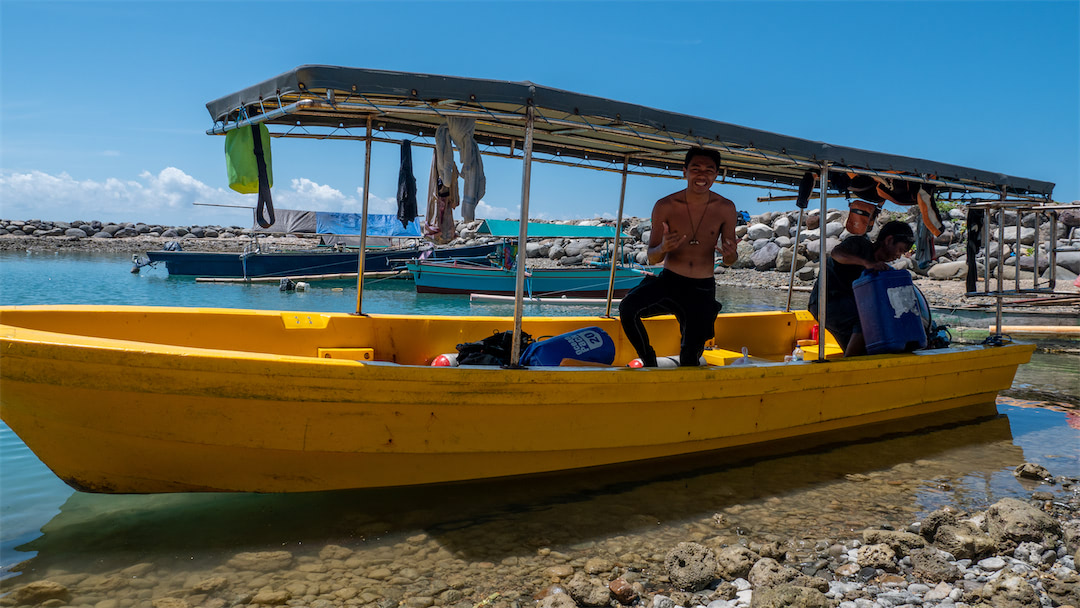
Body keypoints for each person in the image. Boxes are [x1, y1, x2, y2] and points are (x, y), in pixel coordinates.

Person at [619, 147, 738, 367]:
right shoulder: (665, 206)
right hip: (669, 281)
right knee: (627, 309)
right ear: (684, 172)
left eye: (709, 170)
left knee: (690, 356)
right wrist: (663, 247)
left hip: (702, 289)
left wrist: (731, 257)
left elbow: (730, 260)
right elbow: (653, 258)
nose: (702, 175)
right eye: (695, 168)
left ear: (716, 175)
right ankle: (649, 360)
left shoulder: (726, 208)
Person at [807, 220, 915, 357]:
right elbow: (836, 253)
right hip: (825, 303)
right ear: (889, 240)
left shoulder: (881, 268)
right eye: (900, 250)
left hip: (849, 308)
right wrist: (866, 263)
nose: (898, 256)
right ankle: (850, 366)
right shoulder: (860, 244)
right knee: (867, 320)